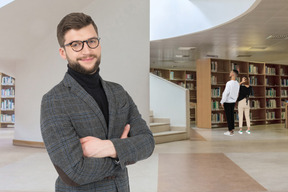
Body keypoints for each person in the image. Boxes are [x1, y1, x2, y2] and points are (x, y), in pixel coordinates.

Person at [40, 12, 155, 192]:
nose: (87, 51)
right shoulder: (54, 100)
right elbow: (73, 173)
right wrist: (122, 155)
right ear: (63, 52)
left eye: (91, 41)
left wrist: (106, 147)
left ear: (99, 43)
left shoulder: (118, 92)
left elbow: (147, 143)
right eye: (76, 45)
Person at [220, 69, 240, 136]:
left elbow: (226, 93)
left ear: (233, 74)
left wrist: (222, 101)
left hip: (227, 101)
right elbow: (237, 93)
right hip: (233, 101)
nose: (230, 73)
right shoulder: (237, 83)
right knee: (231, 116)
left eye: (231, 72)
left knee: (228, 116)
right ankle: (232, 130)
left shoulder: (229, 83)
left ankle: (230, 131)